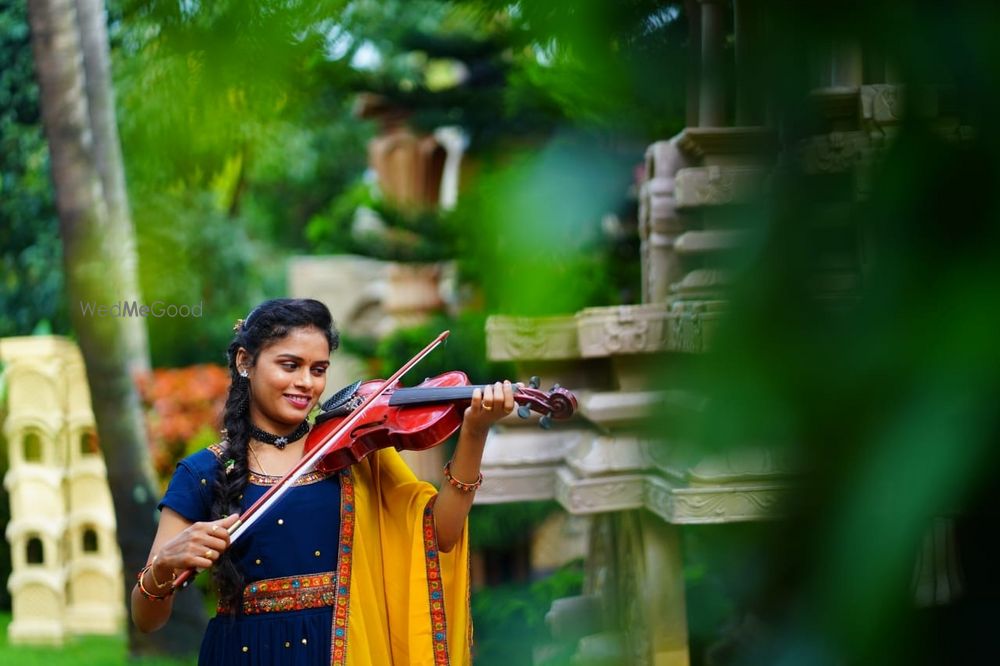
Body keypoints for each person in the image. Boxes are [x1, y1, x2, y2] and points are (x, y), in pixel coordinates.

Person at [130, 298, 514, 665]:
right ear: (246, 362)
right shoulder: (203, 472)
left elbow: (440, 535)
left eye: (318, 369)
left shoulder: (355, 455)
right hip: (244, 653)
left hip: (344, 649)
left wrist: (474, 432)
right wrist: (163, 566)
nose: (306, 383)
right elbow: (147, 619)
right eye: (290, 365)